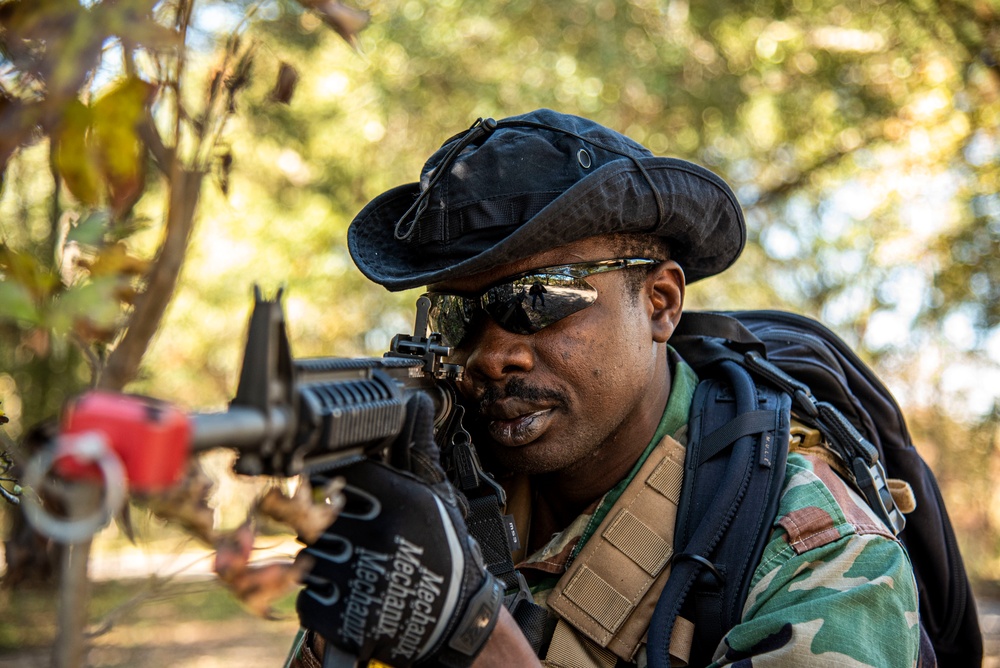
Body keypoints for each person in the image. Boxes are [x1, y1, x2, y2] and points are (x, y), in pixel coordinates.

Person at [288, 109, 921, 668]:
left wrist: (468, 632)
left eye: (540, 298)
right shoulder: (454, 481)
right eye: (458, 317)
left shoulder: (815, 553)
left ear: (660, 302)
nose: (493, 354)